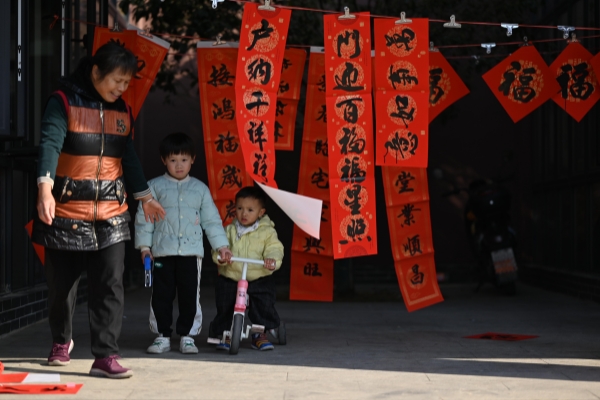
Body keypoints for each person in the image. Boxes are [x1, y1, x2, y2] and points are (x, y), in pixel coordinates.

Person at [32, 41, 166, 379]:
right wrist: (45, 189)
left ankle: (106, 355)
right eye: (116, 80)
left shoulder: (122, 111)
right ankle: (61, 341)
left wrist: (145, 197)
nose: (121, 88)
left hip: (111, 211)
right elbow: (50, 143)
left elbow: (128, 156)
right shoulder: (62, 101)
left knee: (110, 285)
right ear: (95, 72)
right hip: (66, 210)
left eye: (126, 82)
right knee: (62, 287)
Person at [135, 132, 233, 355]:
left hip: (191, 253)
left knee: (190, 295)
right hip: (162, 253)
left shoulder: (200, 189)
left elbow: (211, 221)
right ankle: (162, 336)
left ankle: (187, 336)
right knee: (161, 295)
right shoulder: (154, 187)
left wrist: (221, 246)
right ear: (164, 160)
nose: (178, 165)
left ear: (193, 159)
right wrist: (145, 248)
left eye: (184, 159)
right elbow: (144, 219)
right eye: (173, 160)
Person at [210, 186, 284, 351]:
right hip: (232, 275)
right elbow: (219, 247)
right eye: (240, 208)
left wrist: (271, 259)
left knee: (263, 303)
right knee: (225, 301)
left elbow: (274, 248)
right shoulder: (229, 230)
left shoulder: (267, 232)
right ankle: (225, 332)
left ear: (261, 212)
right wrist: (222, 256)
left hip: (258, 276)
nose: (244, 214)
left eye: (250, 210)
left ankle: (259, 333)